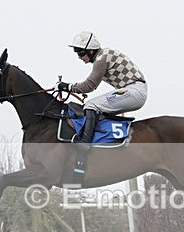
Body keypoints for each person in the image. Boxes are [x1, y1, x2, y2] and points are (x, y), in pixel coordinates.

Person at [56, 31, 148, 174]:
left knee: (91, 105)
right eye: (77, 53)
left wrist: (67, 87)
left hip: (134, 91)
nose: (79, 57)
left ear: (91, 50)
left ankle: (84, 144)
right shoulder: (102, 56)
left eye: (80, 53)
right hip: (133, 90)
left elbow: (89, 86)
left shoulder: (101, 58)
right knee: (95, 107)